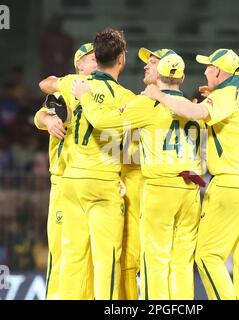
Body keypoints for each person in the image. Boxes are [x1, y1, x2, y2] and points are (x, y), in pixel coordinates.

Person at [72, 49, 206, 299]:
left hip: (158, 188)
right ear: (183, 78)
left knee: (152, 260)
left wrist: (85, 97)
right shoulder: (193, 107)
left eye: (153, 63)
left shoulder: (146, 104)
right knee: (181, 263)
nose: (146, 67)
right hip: (190, 188)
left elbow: (102, 121)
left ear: (161, 73)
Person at [142, 48, 239, 300]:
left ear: (219, 72)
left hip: (230, 185)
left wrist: (159, 95)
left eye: (209, 66)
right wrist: (214, 98)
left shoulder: (224, 97)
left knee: (208, 256)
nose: (205, 70)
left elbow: (195, 113)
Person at [51, 29, 134, 300]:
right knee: (106, 259)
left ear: (96, 58)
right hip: (102, 183)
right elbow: (130, 147)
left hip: (71, 182)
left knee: (73, 257)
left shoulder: (73, 84)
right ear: (121, 59)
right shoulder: (125, 98)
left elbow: (47, 84)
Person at [34, 43, 97, 299]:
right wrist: (49, 120)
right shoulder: (64, 93)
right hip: (64, 183)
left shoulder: (108, 94)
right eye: (91, 58)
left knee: (93, 256)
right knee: (62, 252)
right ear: (79, 64)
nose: (96, 62)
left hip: (95, 183)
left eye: (99, 58)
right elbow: (39, 114)